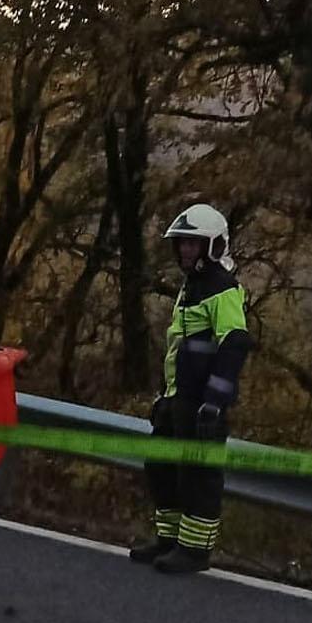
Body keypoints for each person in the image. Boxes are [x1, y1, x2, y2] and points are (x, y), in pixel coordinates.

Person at [131, 203, 252, 574]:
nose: (184, 249)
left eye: (192, 243)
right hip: (178, 397)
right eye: (181, 243)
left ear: (212, 245)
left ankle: (195, 550)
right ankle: (169, 539)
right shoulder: (192, 286)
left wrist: (214, 402)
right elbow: (180, 347)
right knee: (162, 466)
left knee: (198, 475)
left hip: (202, 403)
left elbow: (233, 343)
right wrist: (165, 397)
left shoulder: (221, 288)